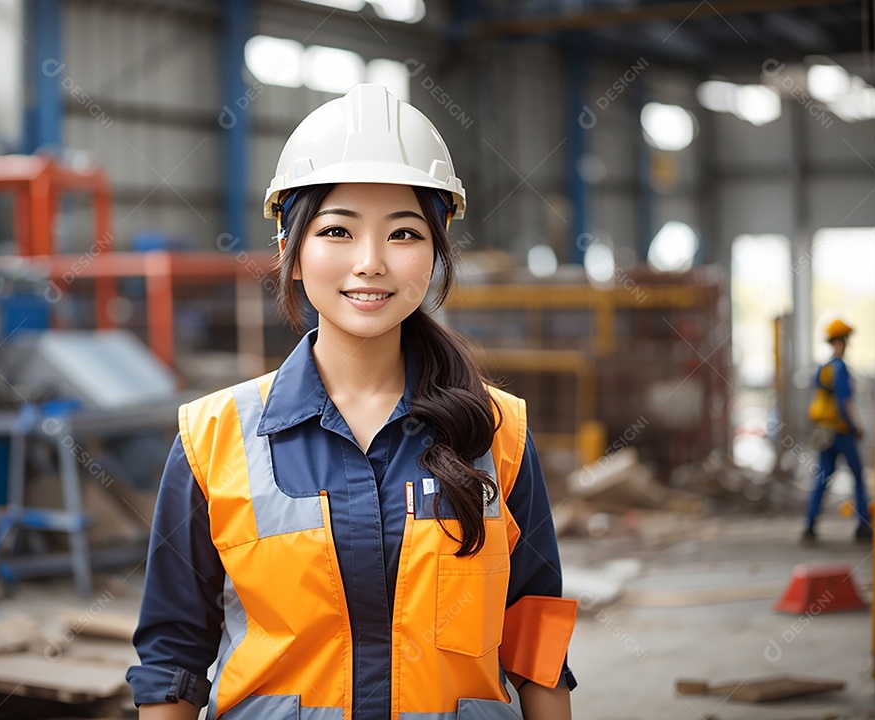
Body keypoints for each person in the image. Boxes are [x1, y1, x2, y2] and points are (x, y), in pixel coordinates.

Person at [127, 84, 577, 720]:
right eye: (337, 230)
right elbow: (173, 657)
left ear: (436, 252)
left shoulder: (496, 432)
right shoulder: (213, 439)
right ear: (290, 251)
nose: (370, 263)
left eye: (403, 233)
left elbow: (536, 639)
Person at [804, 318, 872, 544]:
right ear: (842, 342)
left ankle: (809, 527)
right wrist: (856, 426)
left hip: (825, 433)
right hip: (842, 433)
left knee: (822, 478)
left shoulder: (823, 368)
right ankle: (863, 526)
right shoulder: (840, 368)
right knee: (858, 477)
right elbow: (845, 402)